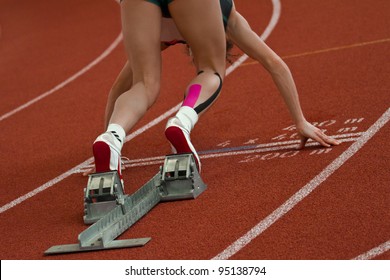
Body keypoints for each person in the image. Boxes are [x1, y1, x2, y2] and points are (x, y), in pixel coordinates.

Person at [88, 0, 340, 178]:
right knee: (212, 70)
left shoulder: (163, 37)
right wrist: (300, 121)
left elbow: (119, 89)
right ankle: (182, 122)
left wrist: (108, 136)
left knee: (144, 84)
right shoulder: (228, 18)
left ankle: (112, 139)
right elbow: (274, 64)